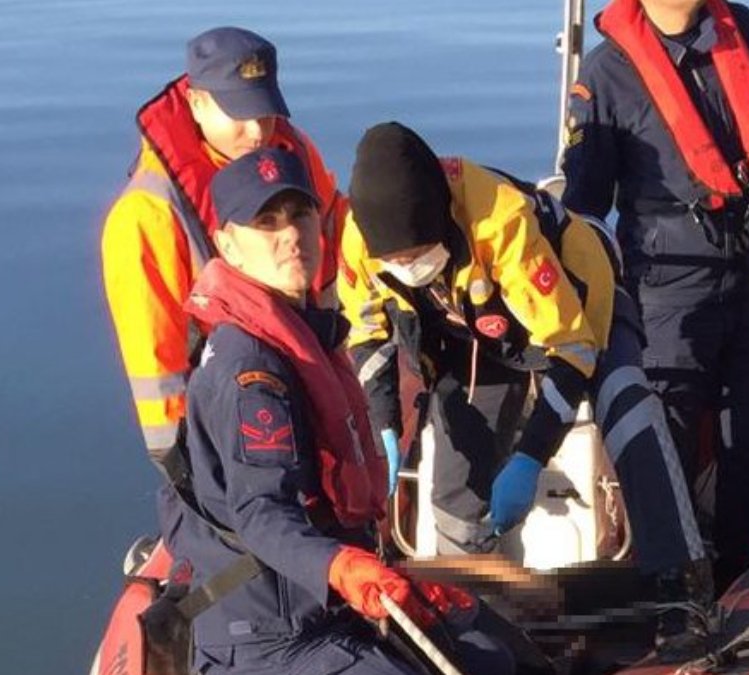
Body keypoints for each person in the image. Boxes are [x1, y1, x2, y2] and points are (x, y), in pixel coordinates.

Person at [339, 122, 709, 649]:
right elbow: (368, 332)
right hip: (475, 332)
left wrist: (532, 456)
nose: (406, 267)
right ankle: (481, 619)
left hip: (578, 306)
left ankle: (680, 587)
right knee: (456, 479)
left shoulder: (502, 219)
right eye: (395, 262)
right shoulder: (361, 240)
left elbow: (572, 347)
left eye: (415, 253)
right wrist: (384, 425)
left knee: (630, 411)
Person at [159, 147, 514, 675]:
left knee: (494, 656)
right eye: (266, 222)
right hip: (269, 633)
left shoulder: (296, 330)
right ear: (228, 245)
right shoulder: (250, 373)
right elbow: (260, 514)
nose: (290, 235)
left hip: (319, 602)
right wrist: (342, 567)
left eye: (300, 215)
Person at [560, 0, 749, 593]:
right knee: (669, 454)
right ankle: (671, 592)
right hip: (665, 297)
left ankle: (741, 580)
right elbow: (583, 210)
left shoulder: (740, 30)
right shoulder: (606, 74)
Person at [100, 26, 344, 479]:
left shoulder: (291, 150)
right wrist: (182, 466)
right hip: (226, 414)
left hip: (307, 373)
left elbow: (336, 229)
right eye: (239, 113)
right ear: (196, 103)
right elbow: (155, 364)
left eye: (264, 111)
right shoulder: (147, 214)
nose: (257, 132)